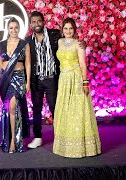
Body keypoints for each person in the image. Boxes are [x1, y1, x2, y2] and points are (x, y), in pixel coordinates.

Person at [53, 18, 101, 158]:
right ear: (62, 29)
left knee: (77, 110)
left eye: (71, 29)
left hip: (76, 79)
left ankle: (81, 146)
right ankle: (65, 145)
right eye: (66, 28)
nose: (68, 31)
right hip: (63, 79)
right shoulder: (60, 42)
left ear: (75, 30)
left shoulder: (79, 44)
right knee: (65, 110)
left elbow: (83, 65)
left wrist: (85, 83)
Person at [0, 18, 31, 153]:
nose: (13, 30)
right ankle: (8, 138)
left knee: (13, 107)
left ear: (19, 29)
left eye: (16, 27)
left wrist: (28, 82)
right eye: (11, 28)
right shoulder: (1, 44)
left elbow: (27, 63)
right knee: (7, 109)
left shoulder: (24, 44)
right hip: (5, 80)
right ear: (7, 29)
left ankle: (14, 142)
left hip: (19, 78)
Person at [25, 11, 61, 149]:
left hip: (52, 79)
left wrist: (79, 43)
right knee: (36, 109)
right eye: (33, 22)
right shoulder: (28, 41)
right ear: (30, 24)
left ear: (43, 21)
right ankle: (38, 137)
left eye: (39, 21)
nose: (36, 24)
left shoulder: (55, 35)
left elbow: (69, 42)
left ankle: (59, 136)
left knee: (55, 108)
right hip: (37, 81)